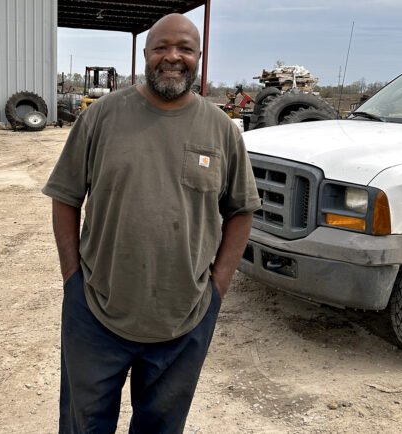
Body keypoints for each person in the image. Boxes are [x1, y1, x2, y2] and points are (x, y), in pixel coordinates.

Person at [42, 13, 261, 434]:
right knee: (82, 425)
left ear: (199, 57)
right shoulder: (100, 117)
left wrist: (217, 288)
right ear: (145, 54)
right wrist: (72, 279)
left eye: (184, 48)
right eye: (161, 47)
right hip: (95, 311)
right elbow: (65, 198)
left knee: (161, 427)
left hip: (186, 318)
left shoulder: (221, 129)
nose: (172, 57)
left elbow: (241, 211)